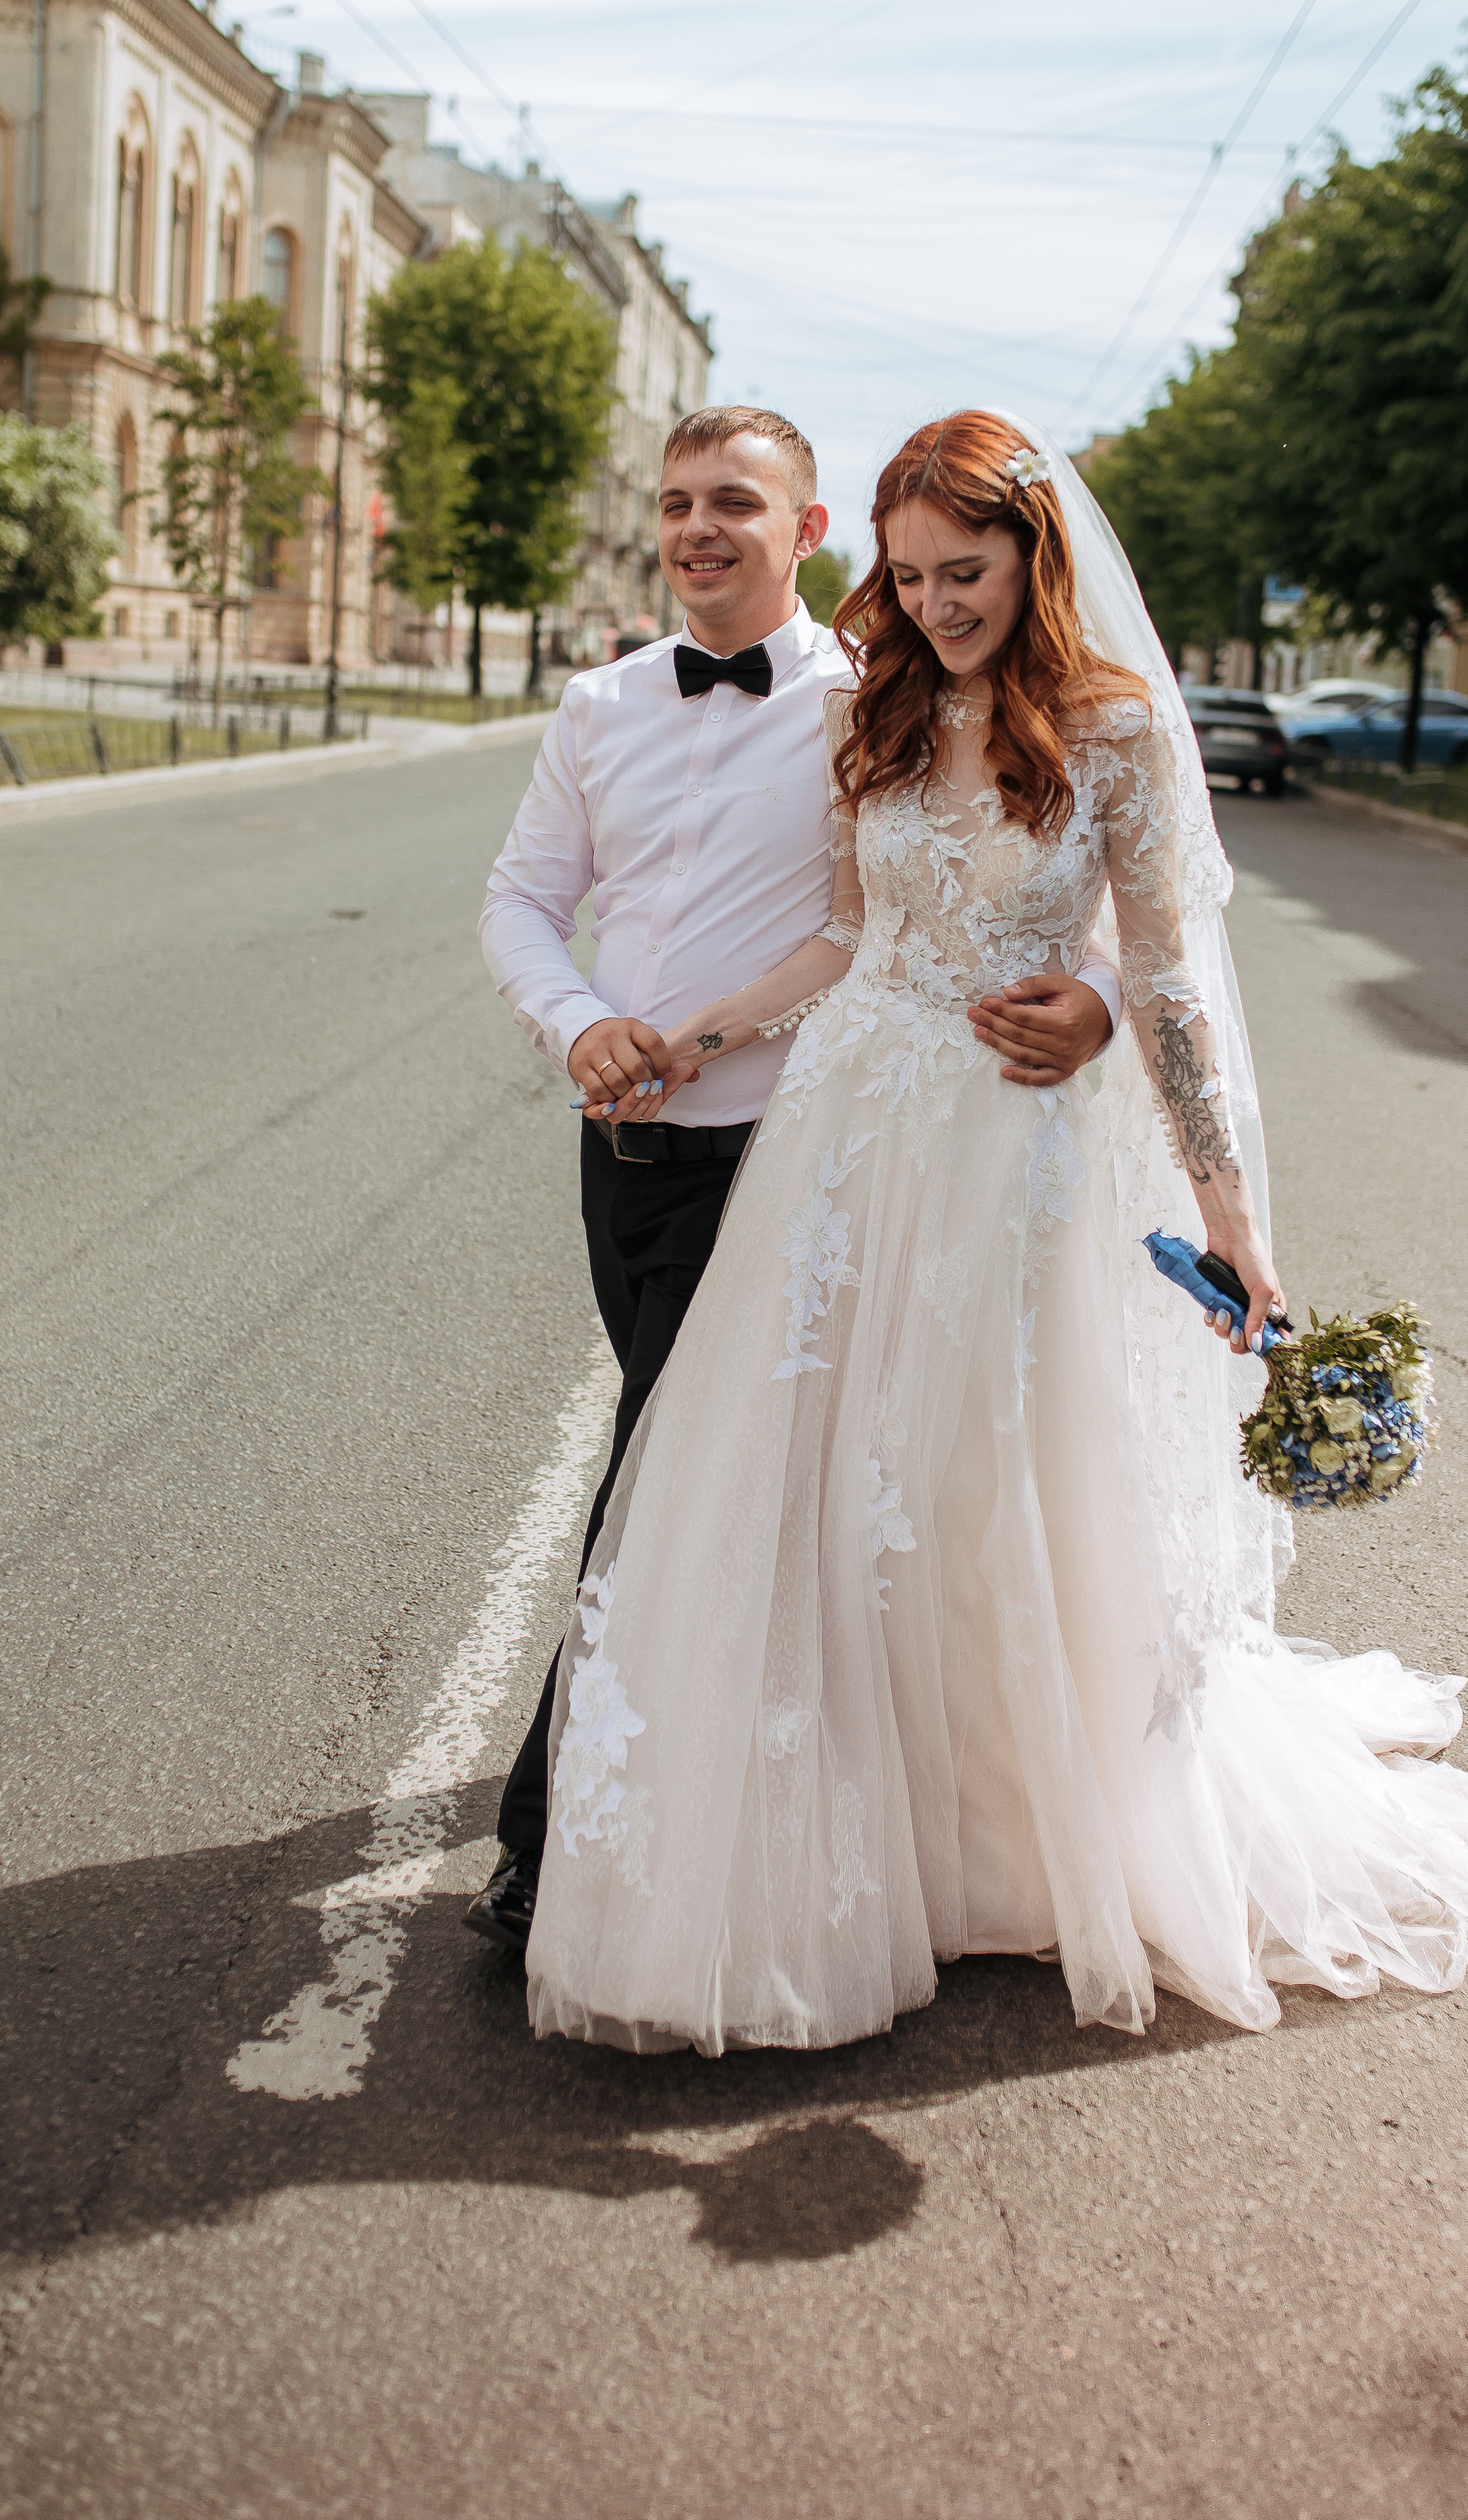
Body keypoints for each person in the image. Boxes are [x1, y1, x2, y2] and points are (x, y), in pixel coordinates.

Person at [523, 409, 1468, 2054]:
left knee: (991, 1474)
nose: (935, 603)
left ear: (1033, 554)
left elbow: (1161, 985)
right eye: (911, 574)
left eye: (966, 569)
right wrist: (688, 1041)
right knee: (839, 1483)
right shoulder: (884, 706)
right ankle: (899, 1847)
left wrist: (1232, 1224)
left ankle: (1026, 1839)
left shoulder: (1119, 730)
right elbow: (846, 942)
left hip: (1012, 1152)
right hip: (850, 1139)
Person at [468, 407, 1125, 1954]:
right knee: (708, 1482)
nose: (701, 530)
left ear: (804, 529)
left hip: (801, 1150)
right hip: (623, 1138)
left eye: (736, 506)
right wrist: (586, 1029)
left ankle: (552, 1834)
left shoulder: (884, 690)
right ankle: (735, 1785)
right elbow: (519, 899)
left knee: (676, 1473)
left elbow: (1015, 858)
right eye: (679, 504)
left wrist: (1090, 993)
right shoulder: (598, 703)